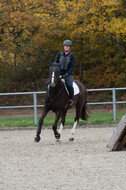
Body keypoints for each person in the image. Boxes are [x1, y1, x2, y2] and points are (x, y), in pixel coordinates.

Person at [55, 39, 75, 107]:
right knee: (50, 83)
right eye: (65, 46)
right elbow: (56, 63)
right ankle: (49, 98)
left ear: (69, 47)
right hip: (59, 74)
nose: (66, 47)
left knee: (70, 85)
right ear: (64, 47)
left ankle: (71, 100)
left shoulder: (72, 56)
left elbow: (72, 67)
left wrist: (66, 74)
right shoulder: (59, 54)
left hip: (68, 74)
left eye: (68, 46)